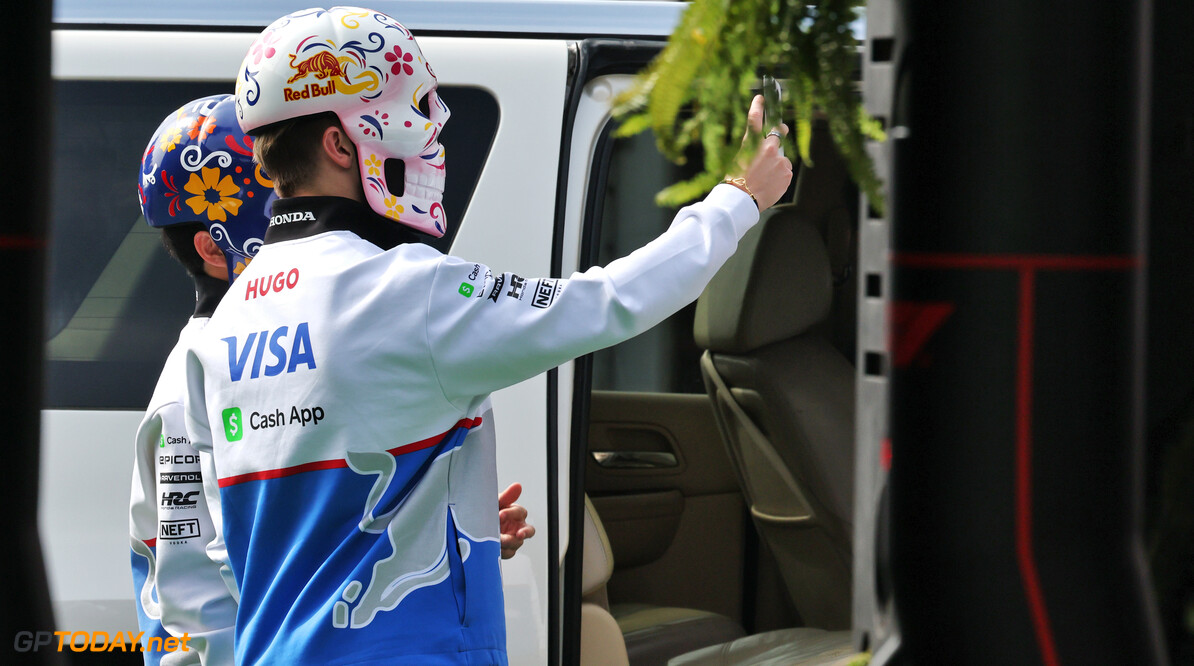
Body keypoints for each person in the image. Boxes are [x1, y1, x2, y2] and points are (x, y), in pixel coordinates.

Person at [183, 6, 792, 665]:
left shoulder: (227, 319)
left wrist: (445, 534)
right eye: (408, 114)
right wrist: (737, 198)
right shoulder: (405, 289)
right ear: (338, 144)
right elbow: (610, 304)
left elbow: (233, 551)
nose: (427, 141)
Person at [131, 93, 535, 665]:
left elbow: (291, 533)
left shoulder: (274, 341)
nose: (296, 213)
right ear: (210, 249)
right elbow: (196, 601)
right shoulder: (191, 382)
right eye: (271, 203)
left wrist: (435, 528)